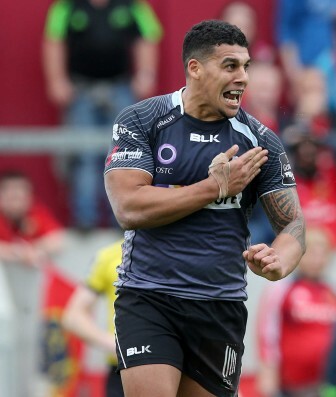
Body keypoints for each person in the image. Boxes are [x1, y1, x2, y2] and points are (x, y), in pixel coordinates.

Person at [103, 19, 306, 397]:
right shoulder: (143, 120)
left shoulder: (260, 141)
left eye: (246, 66)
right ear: (195, 69)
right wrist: (214, 188)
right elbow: (129, 206)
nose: (243, 77)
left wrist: (280, 261)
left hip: (220, 305)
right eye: (231, 66)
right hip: (149, 297)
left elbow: (293, 224)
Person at [43, 0, 163, 229]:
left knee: (123, 155)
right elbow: (53, 41)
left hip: (120, 89)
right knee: (83, 154)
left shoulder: (132, 4)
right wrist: (56, 80)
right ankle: (84, 219)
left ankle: (120, 217)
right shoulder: (67, 6)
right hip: (81, 91)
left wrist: (146, 75)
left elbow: (148, 36)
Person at [256, 228, 336, 397]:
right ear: (300, 255)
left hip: (327, 386)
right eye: (312, 254)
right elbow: (267, 334)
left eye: (323, 255)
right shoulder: (282, 288)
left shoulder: (335, 294)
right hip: (290, 386)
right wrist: (268, 375)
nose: (317, 260)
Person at [0, 171, 66, 397]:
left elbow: (58, 240)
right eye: (10, 192)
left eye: (21, 192)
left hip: (30, 305)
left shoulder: (35, 213)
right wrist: (18, 253)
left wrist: (34, 251)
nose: (16, 197)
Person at [62, 239, 124, 397]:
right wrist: (111, 343)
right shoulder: (110, 255)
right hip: (122, 370)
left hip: (184, 367)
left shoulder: (189, 250)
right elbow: (73, 315)